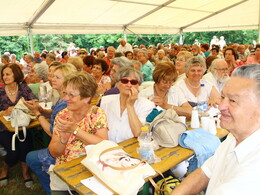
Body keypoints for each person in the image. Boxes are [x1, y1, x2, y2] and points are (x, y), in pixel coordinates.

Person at [171, 64, 260, 195]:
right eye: (223, 97)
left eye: (233, 101)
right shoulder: (234, 137)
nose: (221, 106)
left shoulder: (253, 174)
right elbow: (205, 172)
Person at [48, 72, 108, 193]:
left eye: (72, 95)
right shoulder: (62, 115)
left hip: (91, 171)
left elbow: (103, 144)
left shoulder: (96, 113)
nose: (66, 99)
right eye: (65, 93)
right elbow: (54, 152)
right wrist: (63, 140)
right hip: (64, 172)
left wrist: (75, 130)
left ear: (87, 98)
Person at [23, 64, 77, 194]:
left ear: (67, 80)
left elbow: (52, 132)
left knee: (30, 158)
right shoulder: (62, 97)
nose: (52, 79)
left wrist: (37, 114)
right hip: (65, 144)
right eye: (53, 76)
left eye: (57, 77)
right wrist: (43, 110)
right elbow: (54, 111)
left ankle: (52, 189)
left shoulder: (66, 103)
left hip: (65, 148)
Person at [0, 63, 36, 188]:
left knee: (25, 148)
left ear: (16, 74)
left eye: (8, 74)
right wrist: (4, 112)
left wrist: (25, 106)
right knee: (13, 151)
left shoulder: (24, 88)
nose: (5, 77)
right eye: (3, 74)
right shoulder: (0, 91)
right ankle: (5, 168)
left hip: (23, 126)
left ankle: (25, 173)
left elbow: (34, 102)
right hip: (5, 127)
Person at [100, 66, 154, 143]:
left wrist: (130, 105)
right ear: (118, 83)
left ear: (138, 85)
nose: (129, 85)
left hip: (131, 148)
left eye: (133, 82)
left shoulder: (147, 105)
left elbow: (138, 133)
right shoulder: (106, 101)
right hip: (107, 146)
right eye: (125, 81)